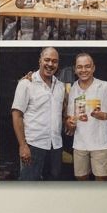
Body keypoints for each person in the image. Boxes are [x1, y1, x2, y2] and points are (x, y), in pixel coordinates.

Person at [11, 46, 65, 180]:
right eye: (47, 60)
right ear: (40, 61)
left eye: (55, 61)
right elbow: (17, 115)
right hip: (33, 145)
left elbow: (61, 113)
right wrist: (23, 145)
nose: (50, 64)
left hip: (56, 146)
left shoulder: (60, 86)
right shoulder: (26, 83)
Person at [66, 53, 107, 181]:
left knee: (102, 183)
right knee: (81, 181)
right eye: (79, 67)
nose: (83, 70)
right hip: (79, 144)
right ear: (75, 69)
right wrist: (70, 122)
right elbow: (70, 117)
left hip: (100, 144)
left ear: (93, 68)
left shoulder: (106, 87)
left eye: (87, 66)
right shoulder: (73, 89)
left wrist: (105, 115)